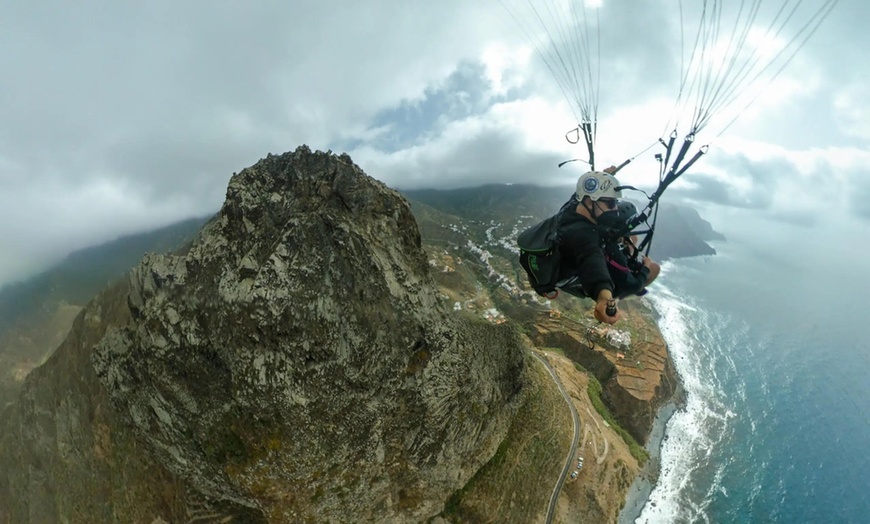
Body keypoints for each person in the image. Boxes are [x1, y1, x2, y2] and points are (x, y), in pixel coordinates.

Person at [556, 168, 660, 324]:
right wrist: (645, 268)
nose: (615, 208)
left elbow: (579, 194)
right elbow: (594, 263)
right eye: (611, 203)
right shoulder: (587, 237)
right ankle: (618, 295)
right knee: (655, 268)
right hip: (580, 279)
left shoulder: (571, 209)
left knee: (633, 238)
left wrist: (603, 178)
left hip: (567, 261)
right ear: (591, 201)